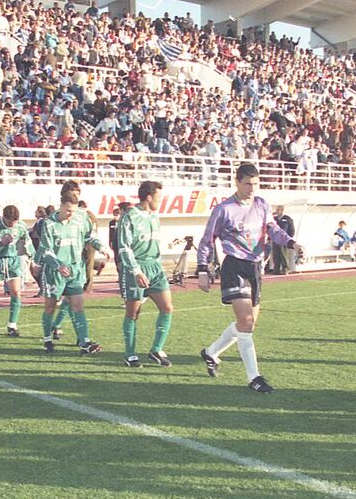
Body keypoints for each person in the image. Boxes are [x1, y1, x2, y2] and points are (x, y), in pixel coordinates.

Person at [197, 163, 300, 393]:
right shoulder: (224, 210)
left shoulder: (261, 204)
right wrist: (203, 270)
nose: (251, 188)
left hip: (255, 268)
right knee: (246, 322)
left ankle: (211, 352)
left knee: (247, 324)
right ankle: (254, 378)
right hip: (234, 266)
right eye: (247, 184)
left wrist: (292, 243)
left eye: (255, 183)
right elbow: (207, 239)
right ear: (237, 182)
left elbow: (273, 229)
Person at [36, 193, 105, 354]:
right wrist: (58, 265)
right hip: (55, 272)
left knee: (78, 306)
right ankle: (47, 339)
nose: (70, 214)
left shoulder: (79, 220)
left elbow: (89, 237)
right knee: (50, 307)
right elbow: (46, 250)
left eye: (73, 211)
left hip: (74, 270)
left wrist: (101, 247)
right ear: (61, 206)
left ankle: (85, 342)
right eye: (68, 210)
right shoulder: (49, 224)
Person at [117, 181, 173, 368]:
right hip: (136, 268)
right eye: (159, 197)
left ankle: (156, 350)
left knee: (167, 308)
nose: (161, 200)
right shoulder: (129, 216)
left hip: (155, 267)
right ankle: (130, 354)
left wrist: (159, 265)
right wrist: (136, 271)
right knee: (133, 313)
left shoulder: (154, 217)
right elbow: (124, 247)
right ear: (149, 197)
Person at [0, 204, 33, 338]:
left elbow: (26, 241)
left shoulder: (21, 226)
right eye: (9, 222)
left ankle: (12, 326)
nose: (12, 225)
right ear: (4, 218)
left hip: (12, 261)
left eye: (14, 222)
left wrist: (31, 256)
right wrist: (0, 243)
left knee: (16, 292)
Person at [270, 206, 295, 274]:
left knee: (284, 255)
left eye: (279, 210)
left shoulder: (287, 219)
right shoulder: (274, 219)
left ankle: (285, 269)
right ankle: (276, 269)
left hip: (284, 240)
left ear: (282, 211)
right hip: (275, 240)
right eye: (277, 210)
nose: (277, 212)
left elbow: (291, 230)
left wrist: (289, 239)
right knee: (276, 255)